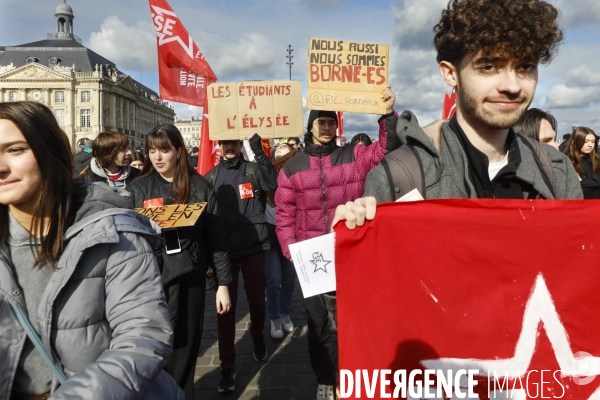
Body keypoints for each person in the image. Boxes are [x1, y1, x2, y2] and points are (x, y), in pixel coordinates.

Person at [0, 101, 174, 399]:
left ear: (51, 152)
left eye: (15, 150)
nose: (1, 167)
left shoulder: (114, 234)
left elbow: (141, 337)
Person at [343, 0, 581, 212]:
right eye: (488, 66)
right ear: (450, 74)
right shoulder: (398, 176)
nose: (512, 86)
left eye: (526, 66)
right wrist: (352, 234)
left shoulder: (557, 170)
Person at [275, 85, 398, 400]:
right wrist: (290, 251)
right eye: (321, 123)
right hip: (312, 256)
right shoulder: (292, 167)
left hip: (349, 252)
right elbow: (284, 214)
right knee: (318, 326)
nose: (327, 128)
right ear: (311, 126)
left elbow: (386, 149)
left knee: (351, 320)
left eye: (332, 123)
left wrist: (386, 115)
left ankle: (353, 375)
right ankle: (326, 380)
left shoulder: (354, 156)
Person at [128, 124, 232, 400]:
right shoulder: (137, 188)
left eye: (164, 150)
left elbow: (217, 239)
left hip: (190, 278)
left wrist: (223, 284)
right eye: (152, 151)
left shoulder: (200, 187)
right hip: (149, 279)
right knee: (152, 346)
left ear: (178, 152)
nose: (157, 157)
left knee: (185, 347)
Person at [204, 133, 278, 394]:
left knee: (258, 302)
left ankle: (257, 334)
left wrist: (258, 149)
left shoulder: (252, 170)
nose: (230, 147)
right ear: (219, 146)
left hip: (254, 246)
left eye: (234, 142)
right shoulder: (211, 178)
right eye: (225, 143)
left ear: (240, 144)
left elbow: (273, 182)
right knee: (225, 310)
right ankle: (227, 365)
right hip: (224, 252)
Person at [265, 143, 296, 339]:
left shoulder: (296, 176)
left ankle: (285, 313)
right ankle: (274, 317)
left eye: (286, 160)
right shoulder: (267, 177)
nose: (282, 164)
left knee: (289, 277)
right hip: (269, 232)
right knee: (273, 278)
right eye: (279, 160)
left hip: (291, 232)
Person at [76, 131, 139, 196]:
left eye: (128, 148)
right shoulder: (86, 179)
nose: (130, 152)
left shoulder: (138, 175)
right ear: (108, 153)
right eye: (123, 149)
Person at [565, 126, 600, 199]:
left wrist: (583, 182)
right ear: (574, 142)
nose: (590, 145)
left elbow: (580, 183)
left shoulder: (597, 159)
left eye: (593, 141)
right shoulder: (567, 162)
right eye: (586, 141)